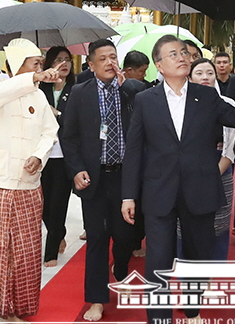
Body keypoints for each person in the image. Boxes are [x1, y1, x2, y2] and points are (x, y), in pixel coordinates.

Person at [121, 34, 235, 324]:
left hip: (199, 189)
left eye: (183, 52)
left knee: (197, 258)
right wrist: (128, 195)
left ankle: (192, 310)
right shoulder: (145, 100)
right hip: (159, 191)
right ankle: (159, 319)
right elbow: (134, 150)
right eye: (173, 54)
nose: (182, 57)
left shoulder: (206, 95)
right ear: (159, 65)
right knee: (157, 262)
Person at [59, 39, 147, 322]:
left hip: (126, 176)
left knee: (125, 235)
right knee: (97, 238)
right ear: (91, 65)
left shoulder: (131, 91)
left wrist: (127, 91)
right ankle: (96, 299)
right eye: (104, 59)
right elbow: (68, 137)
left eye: (114, 57)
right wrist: (76, 169)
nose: (111, 63)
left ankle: (120, 266)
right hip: (94, 177)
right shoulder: (79, 93)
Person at [0, 39, 60, 322]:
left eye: (40, 64)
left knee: (24, 251)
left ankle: (16, 307)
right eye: (34, 64)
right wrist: (33, 78)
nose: (40, 69)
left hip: (27, 184)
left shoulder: (39, 98)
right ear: (15, 66)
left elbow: (50, 132)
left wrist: (39, 156)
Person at [189, 58, 235, 262]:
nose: (205, 77)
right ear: (190, 78)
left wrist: (213, 173)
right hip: (188, 173)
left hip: (221, 169)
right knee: (187, 226)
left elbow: (230, 147)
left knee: (219, 225)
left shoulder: (227, 105)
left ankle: (213, 271)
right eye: (199, 73)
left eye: (209, 73)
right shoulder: (181, 106)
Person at [39, 45, 76, 267]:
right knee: (43, 205)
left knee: (59, 202)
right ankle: (58, 232)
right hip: (42, 155)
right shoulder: (39, 88)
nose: (63, 63)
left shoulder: (77, 88)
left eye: (67, 59)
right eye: (58, 60)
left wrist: (57, 113)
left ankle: (50, 252)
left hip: (65, 156)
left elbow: (76, 121)